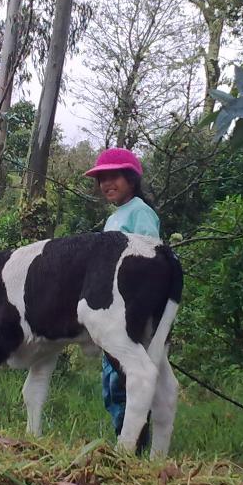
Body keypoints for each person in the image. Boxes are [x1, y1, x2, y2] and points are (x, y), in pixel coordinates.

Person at [84, 147, 160, 453]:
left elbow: (150, 261)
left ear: (131, 178)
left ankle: (136, 446)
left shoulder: (141, 214)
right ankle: (124, 439)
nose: (106, 184)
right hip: (111, 315)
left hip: (131, 313)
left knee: (129, 381)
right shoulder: (115, 219)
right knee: (112, 383)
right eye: (102, 178)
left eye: (114, 176)